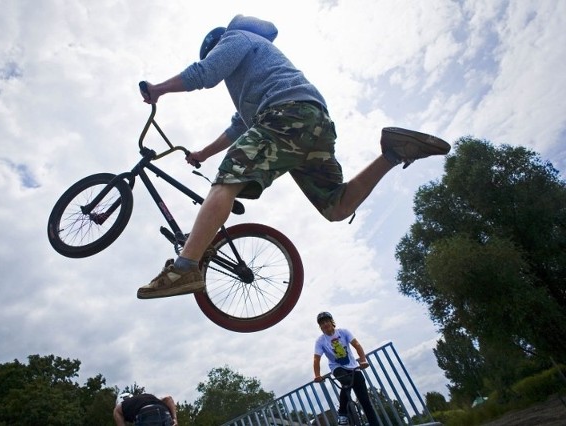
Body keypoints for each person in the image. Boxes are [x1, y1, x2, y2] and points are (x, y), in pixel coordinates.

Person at [136, 15, 451, 299]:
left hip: (286, 114)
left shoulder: (236, 39)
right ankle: (394, 153)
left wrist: (158, 88)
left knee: (227, 180)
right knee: (336, 206)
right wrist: (204, 152)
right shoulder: (255, 77)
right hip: (312, 124)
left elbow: (203, 73)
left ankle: (185, 267)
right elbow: (237, 127)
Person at [313, 311, 380, 426]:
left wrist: (363, 360)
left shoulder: (343, 332)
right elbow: (316, 359)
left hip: (353, 367)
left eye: (326, 321)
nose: (325, 324)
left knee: (365, 401)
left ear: (331, 322)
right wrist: (317, 375)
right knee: (346, 381)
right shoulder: (321, 341)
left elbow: (357, 345)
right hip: (337, 368)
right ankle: (342, 414)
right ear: (320, 326)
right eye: (322, 323)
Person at [113, 392, 177, 426]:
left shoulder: (121, 406)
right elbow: (169, 399)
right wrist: (175, 419)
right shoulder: (144, 398)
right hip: (164, 413)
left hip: (146, 414)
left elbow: (116, 411)